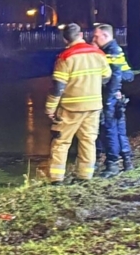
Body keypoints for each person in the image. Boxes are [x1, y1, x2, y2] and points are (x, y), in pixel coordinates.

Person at [45, 24, 112, 184]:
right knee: (88, 141)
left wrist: (50, 108)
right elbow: (107, 76)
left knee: (61, 142)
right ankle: (85, 176)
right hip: (94, 106)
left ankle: (56, 179)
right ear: (81, 35)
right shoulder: (98, 53)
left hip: (70, 108)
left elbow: (58, 87)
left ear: (64, 39)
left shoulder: (65, 57)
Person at [91, 24, 136, 176]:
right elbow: (127, 74)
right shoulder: (112, 50)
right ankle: (127, 162)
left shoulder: (112, 51)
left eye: (96, 36)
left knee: (110, 130)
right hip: (116, 97)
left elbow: (118, 74)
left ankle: (112, 165)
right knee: (119, 130)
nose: (94, 39)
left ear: (105, 35)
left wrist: (110, 95)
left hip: (111, 98)